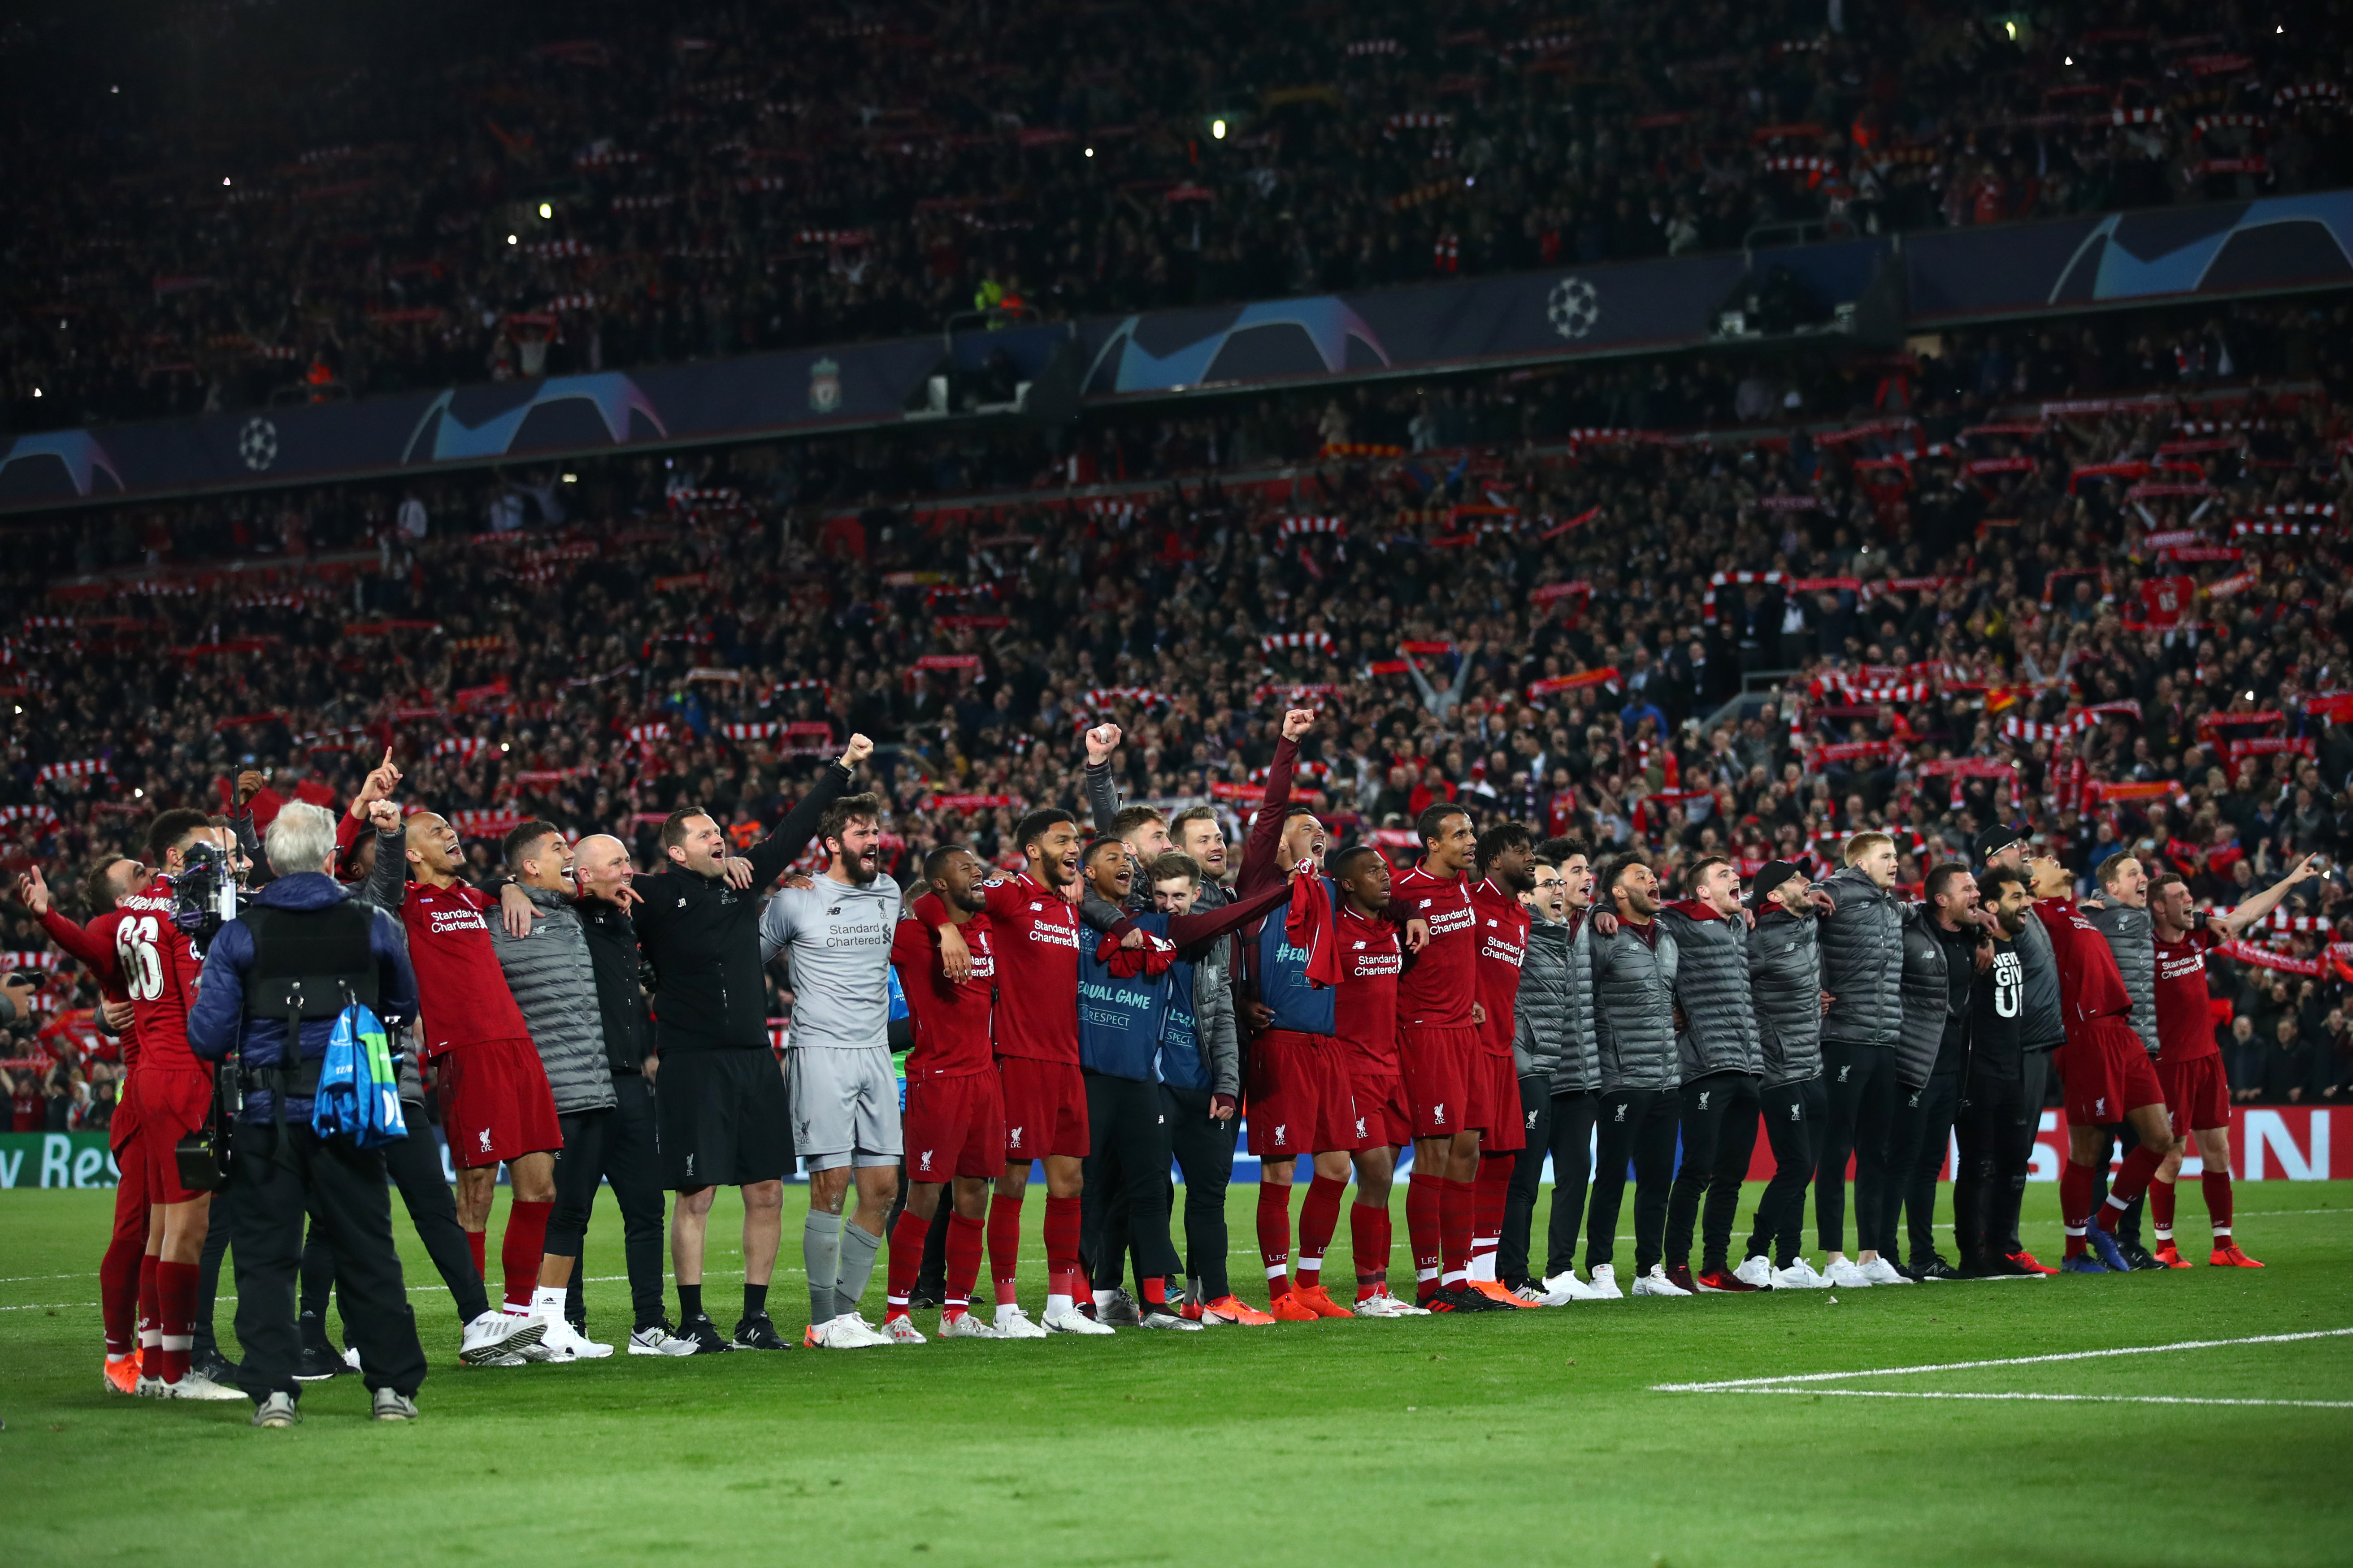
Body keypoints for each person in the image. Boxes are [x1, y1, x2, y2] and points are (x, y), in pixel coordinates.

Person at [185, 802, 426, 1426]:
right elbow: (403, 1002)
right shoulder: (373, 924)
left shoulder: (240, 934)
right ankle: (392, 1389)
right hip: (350, 1111)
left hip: (268, 1118)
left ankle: (274, 1393)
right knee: (368, 1249)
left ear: (268, 860)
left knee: (266, 1256)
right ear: (328, 858)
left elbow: (209, 1038)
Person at [634, 734, 870, 1352]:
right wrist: (513, 886)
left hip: (752, 1060)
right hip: (691, 1062)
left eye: (720, 830)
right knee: (698, 1192)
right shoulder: (654, 896)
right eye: (705, 832)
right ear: (678, 850)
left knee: (766, 1188)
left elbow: (793, 831)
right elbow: (592, 896)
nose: (719, 836)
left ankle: (754, 1317)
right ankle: (693, 1318)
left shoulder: (744, 884)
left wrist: (841, 768)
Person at [915, 806, 1104, 1334]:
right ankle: (1004, 1308)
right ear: (1035, 849)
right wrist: (947, 934)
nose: (1076, 848)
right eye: (1064, 839)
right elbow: (930, 898)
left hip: (1067, 1059)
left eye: (1078, 840)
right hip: (1018, 1059)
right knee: (1014, 1182)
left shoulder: (1067, 908)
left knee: (1070, 1181)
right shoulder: (1009, 892)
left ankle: (1062, 1307)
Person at [400, 810, 565, 1351]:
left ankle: (519, 1320)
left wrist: (511, 888)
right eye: (436, 832)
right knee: (475, 1193)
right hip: (466, 1054)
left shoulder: (477, 898)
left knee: (540, 1188)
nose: (452, 834)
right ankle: (476, 1323)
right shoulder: (407, 903)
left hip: (519, 1047)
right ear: (411, 853)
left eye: (451, 827)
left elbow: (539, 886)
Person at [1228, 710, 1363, 1320]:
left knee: (1336, 1164)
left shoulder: (1332, 891)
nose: (1318, 835)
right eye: (1305, 828)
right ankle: (1280, 1288)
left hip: (1327, 1045)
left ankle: (1310, 1282)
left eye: (1322, 831)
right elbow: (1272, 807)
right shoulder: (1260, 883)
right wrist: (1288, 743)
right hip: (1278, 1040)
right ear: (1280, 839)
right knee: (1281, 1169)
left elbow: (1390, 888)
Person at [760, 790, 906, 1348]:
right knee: (832, 1184)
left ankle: (844, 1317)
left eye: (875, 830)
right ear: (831, 844)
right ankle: (822, 1321)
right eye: (861, 832)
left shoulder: (889, 892)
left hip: (874, 1052)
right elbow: (746, 956)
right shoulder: (797, 900)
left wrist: (942, 930)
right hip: (820, 1050)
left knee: (883, 1187)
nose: (873, 841)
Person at [109, 810, 242, 1399]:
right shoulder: (160, 919)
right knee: (153, 1230)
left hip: (169, 1087)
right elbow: (123, 997)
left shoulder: (194, 915)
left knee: (171, 1229)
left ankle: (155, 1361)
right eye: (212, 855)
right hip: (161, 1094)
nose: (225, 865)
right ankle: (143, 1362)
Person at [490, 822, 627, 1360]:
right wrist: (502, 887)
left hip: (593, 1083)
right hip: (545, 1087)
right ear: (528, 866)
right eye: (558, 850)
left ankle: (553, 1322)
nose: (570, 856)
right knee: (541, 1205)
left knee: (573, 1211)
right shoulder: (499, 917)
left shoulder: (575, 913)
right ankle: (521, 1319)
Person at [2145, 855, 2322, 1268]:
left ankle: (2223, 1245)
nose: (2191, 901)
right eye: (2181, 897)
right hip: (2168, 1064)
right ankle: (2165, 1247)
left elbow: (2248, 911)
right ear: (2158, 907)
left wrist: (2292, 879)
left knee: (2219, 1151)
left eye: (2191, 896)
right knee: (2171, 1154)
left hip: (2208, 1059)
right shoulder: (2142, 947)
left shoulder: (2199, 937)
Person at [20, 855, 151, 1394]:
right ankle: (123, 1354)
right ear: (123, 901)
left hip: (204, 1097)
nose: (151, 877)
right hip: (151, 1104)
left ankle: (168, 1346)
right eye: (139, 873)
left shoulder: (166, 927)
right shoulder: (118, 940)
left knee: (186, 1236)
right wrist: (48, 916)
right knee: (139, 1234)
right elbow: (92, 949)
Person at [569, 833, 695, 1351]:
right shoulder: (559, 917)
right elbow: (507, 884)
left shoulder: (625, 920)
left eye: (627, 859)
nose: (628, 870)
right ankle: (569, 1325)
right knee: (570, 1212)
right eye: (617, 863)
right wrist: (511, 889)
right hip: (580, 1083)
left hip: (629, 1084)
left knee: (645, 1207)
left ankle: (649, 1325)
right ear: (582, 875)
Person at [2024, 853, 2174, 1273]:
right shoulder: (2038, 915)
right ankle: (2074, 1254)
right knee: (2088, 1151)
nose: (2051, 857)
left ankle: (2102, 1224)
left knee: (2160, 1138)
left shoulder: (2078, 912)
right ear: (2032, 885)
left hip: (2122, 1032)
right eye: (2040, 861)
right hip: (2086, 1034)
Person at [887, 845, 1010, 1339]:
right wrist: (941, 927)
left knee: (975, 1195)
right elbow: (911, 906)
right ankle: (898, 1312)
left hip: (985, 1080)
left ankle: (956, 1311)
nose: (977, 871)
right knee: (924, 1196)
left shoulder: (988, 931)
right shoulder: (915, 937)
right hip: (936, 1081)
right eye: (965, 868)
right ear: (940, 884)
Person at [1389, 804, 1500, 1311]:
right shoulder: (1404, 890)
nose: (1471, 840)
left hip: (1464, 1033)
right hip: (1426, 1033)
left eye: (1471, 831)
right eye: (1460, 834)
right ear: (1433, 844)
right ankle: (1430, 1286)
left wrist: (1471, 995)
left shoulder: (1460, 887)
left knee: (1468, 1150)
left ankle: (1460, 1280)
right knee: (1432, 1155)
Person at [1323, 845, 1425, 1317]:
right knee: (1377, 1174)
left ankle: (1379, 1290)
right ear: (1347, 884)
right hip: (1352, 1072)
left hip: (1393, 1071)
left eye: (1386, 870)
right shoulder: (1333, 932)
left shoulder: (1391, 932)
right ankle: (1367, 1292)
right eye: (1372, 872)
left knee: (1382, 1185)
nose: (1385, 878)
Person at [1658, 854, 1765, 1294]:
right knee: (1697, 1169)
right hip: (1704, 1065)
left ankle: (1715, 1265)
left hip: (1747, 1064)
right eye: (1724, 876)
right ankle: (1677, 1264)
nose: (1735, 880)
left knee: (1731, 1176)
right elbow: (1636, 915)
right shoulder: (1679, 922)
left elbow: (1774, 897)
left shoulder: (1739, 923)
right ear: (1702, 891)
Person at [1501, 844, 1604, 1304]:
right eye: (1553, 882)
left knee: (1538, 1180)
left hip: (1551, 1068)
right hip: (1525, 1069)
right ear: (1525, 896)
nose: (1561, 889)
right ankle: (1508, 1276)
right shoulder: (1520, 934)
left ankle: (1525, 1274)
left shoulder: (1563, 935)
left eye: (1563, 883)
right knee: (1519, 1181)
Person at [1810, 831, 1908, 1288]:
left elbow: (1922, 912)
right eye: (1886, 856)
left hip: (1884, 1039)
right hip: (1843, 1038)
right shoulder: (1836, 890)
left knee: (1877, 1151)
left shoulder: (1891, 907)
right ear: (1861, 862)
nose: (1896, 862)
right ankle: (1834, 1256)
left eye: (1896, 855)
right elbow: (1788, 909)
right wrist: (1815, 986)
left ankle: (1870, 1255)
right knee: (1837, 1149)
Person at [1585, 854, 1683, 1299]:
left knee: (1658, 1177)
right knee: (1610, 1176)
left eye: (1653, 874)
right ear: (1619, 893)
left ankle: (1649, 1271)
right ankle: (1600, 1268)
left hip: (1665, 1076)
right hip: (1622, 1076)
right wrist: (1597, 910)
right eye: (1641, 877)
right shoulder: (1601, 934)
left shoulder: (1666, 936)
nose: (1653, 880)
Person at [1973, 826, 2066, 1275]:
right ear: (1992, 861)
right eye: (2014, 847)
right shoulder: (1986, 909)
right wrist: (1981, 933)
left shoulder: (2019, 902)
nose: (2025, 850)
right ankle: (1997, 1246)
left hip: (2036, 1043)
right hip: (2015, 1044)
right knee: (2003, 1151)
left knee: (2014, 1150)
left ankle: (2000, 1244)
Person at [1887, 863, 1986, 1281]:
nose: (1977, 894)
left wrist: (1983, 934)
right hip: (1912, 1065)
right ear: (1942, 899)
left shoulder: (1970, 937)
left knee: (1929, 1165)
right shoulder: (1910, 934)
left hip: (1950, 1069)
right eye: (1968, 889)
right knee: (1902, 1163)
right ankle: (1884, 1255)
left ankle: (1923, 1255)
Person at [1738, 859, 1831, 1290]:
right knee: (1794, 1167)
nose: (1805, 882)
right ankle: (1756, 1254)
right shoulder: (1757, 938)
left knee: (1804, 1168)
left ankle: (1791, 1260)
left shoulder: (1809, 922)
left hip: (1812, 1065)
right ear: (1775, 896)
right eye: (1795, 879)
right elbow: (1734, 984)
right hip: (1778, 1068)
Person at [1463, 821, 1537, 1304]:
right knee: (1464, 1162)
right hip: (1466, 1049)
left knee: (1503, 1159)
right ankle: (1459, 1272)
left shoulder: (1522, 917)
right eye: (1521, 851)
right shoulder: (1468, 903)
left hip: (1502, 1052)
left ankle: (1486, 1274)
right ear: (1494, 860)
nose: (1531, 858)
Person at [1953, 865, 2037, 1276]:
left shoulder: (2011, 947)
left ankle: (2000, 1251)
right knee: (1977, 1165)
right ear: (1990, 906)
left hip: (2011, 1073)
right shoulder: (1974, 946)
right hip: (1977, 1074)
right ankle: (1973, 1257)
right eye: (2017, 898)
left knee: (2015, 1164)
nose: (2027, 905)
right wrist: (1981, 933)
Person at [2080, 852, 2162, 1268]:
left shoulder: (2148, 920)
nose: (2143, 879)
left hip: (2142, 1049)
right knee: (2098, 1152)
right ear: (2112, 888)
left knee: (2142, 1146)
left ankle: (2127, 1240)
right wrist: (2082, 907)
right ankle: (2089, 1245)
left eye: (2144, 873)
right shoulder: (2093, 918)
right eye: (2134, 874)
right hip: (2104, 1051)